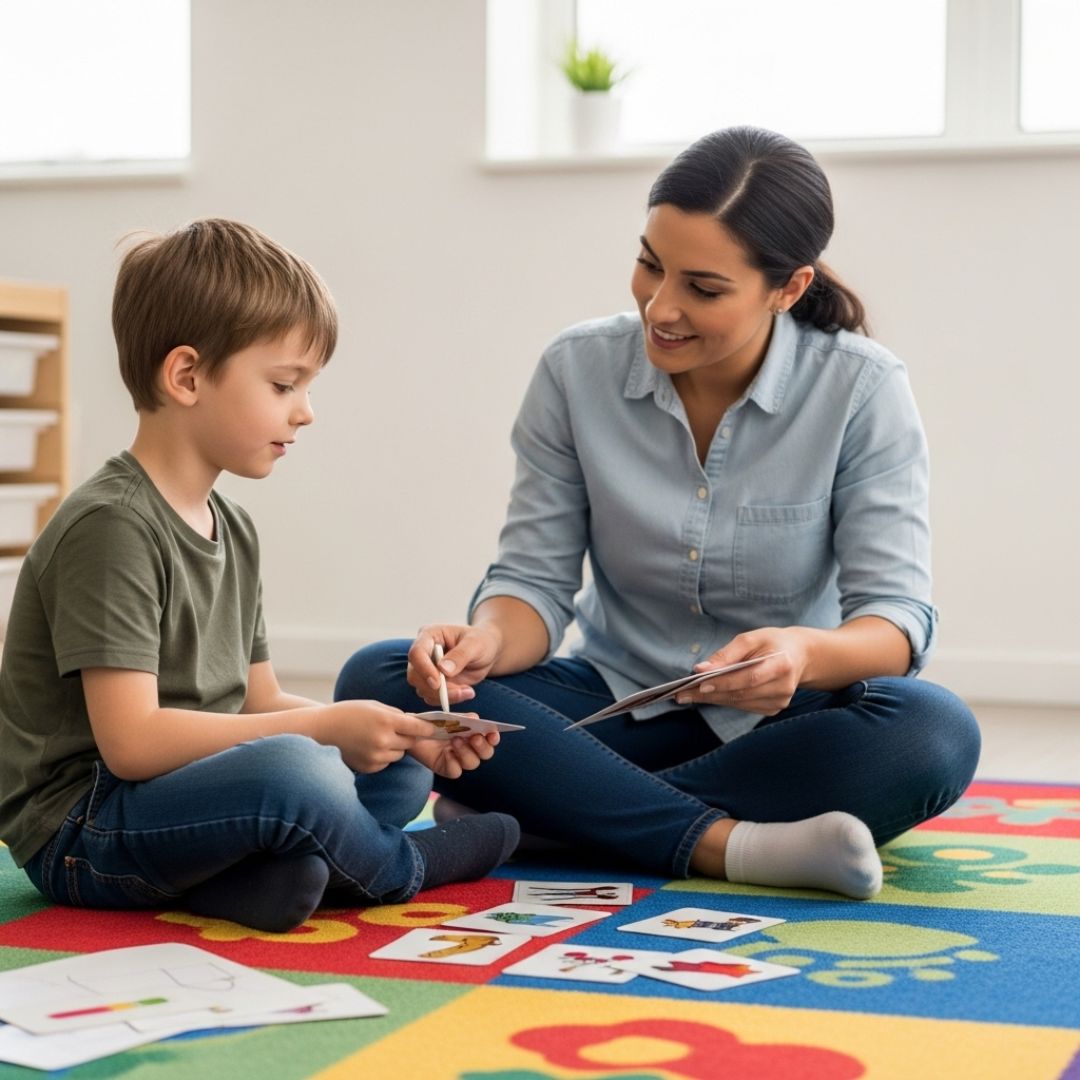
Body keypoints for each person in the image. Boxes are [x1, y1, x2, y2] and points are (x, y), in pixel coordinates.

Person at [336, 126, 981, 901]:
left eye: (703, 289)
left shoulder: (862, 388)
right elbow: (532, 583)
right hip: (610, 704)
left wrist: (802, 657)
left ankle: (559, 809)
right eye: (649, 264)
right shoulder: (576, 370)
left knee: (935, 731)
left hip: (778, 719)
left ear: (789, 287)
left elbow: (894, 618)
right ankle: (724, 844)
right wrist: (484, 641)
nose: (661, 307)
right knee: (381, 675)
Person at [0, 219, 518, 934]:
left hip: (173, 800)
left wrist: (402, 731)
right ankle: (400, 867)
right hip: (85, 825)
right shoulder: (110, 526)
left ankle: (251, 879)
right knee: (295, 774)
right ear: (186, 377)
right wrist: (324, 731)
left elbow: (257, 696)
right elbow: (133, 743)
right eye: (284, 384)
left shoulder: (232, 527)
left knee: (393, 763)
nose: (305, 411)